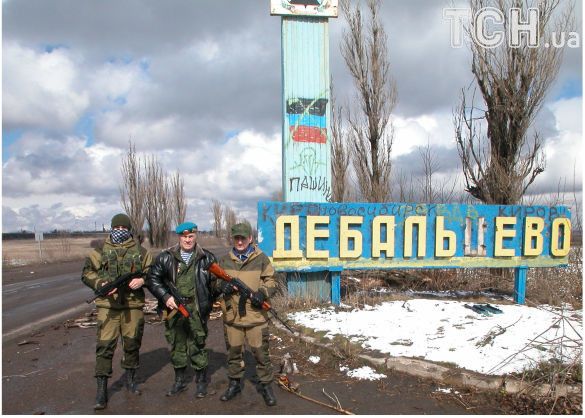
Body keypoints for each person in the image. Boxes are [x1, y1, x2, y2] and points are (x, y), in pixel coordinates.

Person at [81, 213, 152, 410]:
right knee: (105, 347)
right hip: (108, 307)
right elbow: (86, 273)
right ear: (111, 229)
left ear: (129, 230)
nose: (120, 231)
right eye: (117, 228)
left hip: (132, 305)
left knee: (132, 344)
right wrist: (101, 283)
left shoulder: (141, 251)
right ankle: (102, 390)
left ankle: (130, 381)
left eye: (124, 228)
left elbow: (152, 272)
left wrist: (143, 280)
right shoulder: (99, 250)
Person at [146, 222, 218, 398]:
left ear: (196, 236)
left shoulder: (207, 258)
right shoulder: (165, 257)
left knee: (198, 345)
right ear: (179, 237)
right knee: (177, 345)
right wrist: (165, 297)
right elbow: (152, 279)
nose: (188, 240)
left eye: (191, 236)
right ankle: (179, 381)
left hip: (196, 309)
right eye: (184, 236)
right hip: (174, 309)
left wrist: (208, 303)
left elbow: (215, 285)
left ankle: (201, 382)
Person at [217, 222, 278, 407]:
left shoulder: (261, 259)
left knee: (261, 354)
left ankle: (266, 387)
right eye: (237, 238)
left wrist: (263, 293)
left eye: (244, 238)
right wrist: (222, 287)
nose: (240, 241)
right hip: (232, 317)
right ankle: (234, 384)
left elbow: (272, 281)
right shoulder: (224, 260)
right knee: (233, 353)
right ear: (233, 239)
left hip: (256, 317)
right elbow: (214, 283)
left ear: (250, 238)